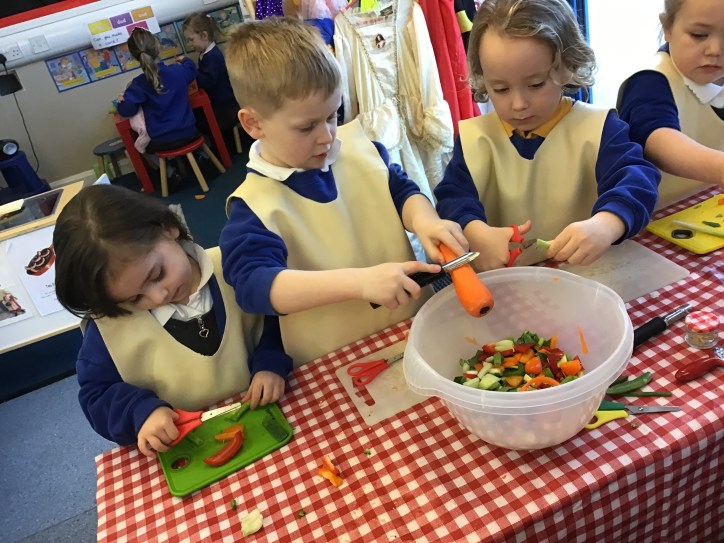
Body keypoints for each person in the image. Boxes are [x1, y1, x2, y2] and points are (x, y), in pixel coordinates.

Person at [220, 17, 468, 366]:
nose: (327, 136)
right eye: (306, 127)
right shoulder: (254, 206)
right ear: (253, 124)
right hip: (334, 361)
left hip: (410, 329)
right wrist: (360, 283)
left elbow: (401, 191)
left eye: (332, 116)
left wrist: (426, 221)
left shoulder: (362, 150)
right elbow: (253, 286)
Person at [53, 185, 292, 458]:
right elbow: (97, 395)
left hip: (269, 419)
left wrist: (271, 363)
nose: (158, 297)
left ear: (169, 228)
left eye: (157, 275)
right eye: (134, 298)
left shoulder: (237, 267)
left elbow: (277, 323)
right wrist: (140, 412)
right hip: (186, 449)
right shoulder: (108, 329)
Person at [434, 0, 661, 270]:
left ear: (567, 66)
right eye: (501, 89)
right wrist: (474, 231)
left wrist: (607, 224)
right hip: (507, 283)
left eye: (535, 84)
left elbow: (638, 180)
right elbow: (452, 197)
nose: (519, 104)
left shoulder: (600, 129)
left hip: (588, 276)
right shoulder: (475, 140)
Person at [617, 0, 724, 210]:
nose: (715, 50)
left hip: (709, 206)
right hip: (654, 216)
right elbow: (658, 139)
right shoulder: (649, 81)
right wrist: (720, 167)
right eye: (699, 35)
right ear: (667, 27)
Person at [116, 28, 199, 153]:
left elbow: (126, 111)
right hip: (188, 132)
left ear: (134, 57)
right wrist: (185, 60)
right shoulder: (177, 71)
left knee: (142, 147)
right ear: (158, 47)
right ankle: (196, 157)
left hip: (161, 141)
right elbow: (192, 69)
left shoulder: (138, 84)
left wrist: (122, 100)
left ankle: (172, 166)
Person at [182, 13, 240, 136]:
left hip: (225, 108)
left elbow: (207, 82)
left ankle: (219, 144)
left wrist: (189, 67)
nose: (189, 44)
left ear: (204, 35)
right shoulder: (206, 54)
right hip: (219, 104)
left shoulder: (212, 57)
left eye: (191, 40)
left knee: (196, 119)